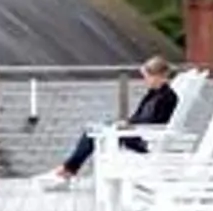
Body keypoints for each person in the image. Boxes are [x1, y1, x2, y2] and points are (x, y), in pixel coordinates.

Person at [44, 57, 178, 181]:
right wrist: (125, 124)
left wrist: (128, 127)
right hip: (135, 132)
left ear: (159, 76)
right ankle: (69, 168)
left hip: (143, 139)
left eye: (147, 77)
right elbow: (138, 117)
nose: (145, 81)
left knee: (93, 134)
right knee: (93, 130)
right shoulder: (153, 94)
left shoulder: (167, 98)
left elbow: (153, 123)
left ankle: (69, 169)